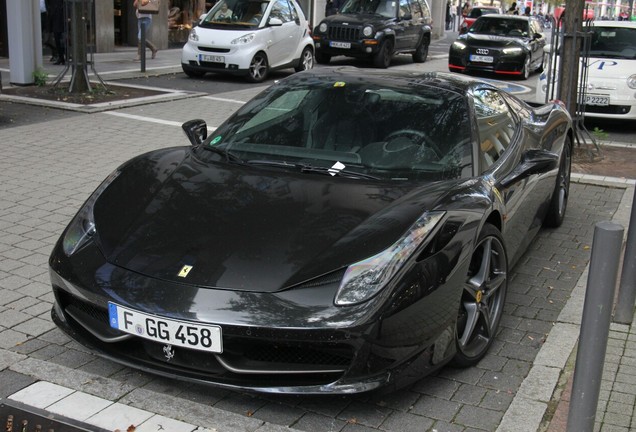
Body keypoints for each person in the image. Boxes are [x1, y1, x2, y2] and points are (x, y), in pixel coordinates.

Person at [49, 0, 65, 65]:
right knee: (58, 41)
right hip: (56, 22)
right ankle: (61, 58)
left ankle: (62, 58)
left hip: (61, 22)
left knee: (61, 41)